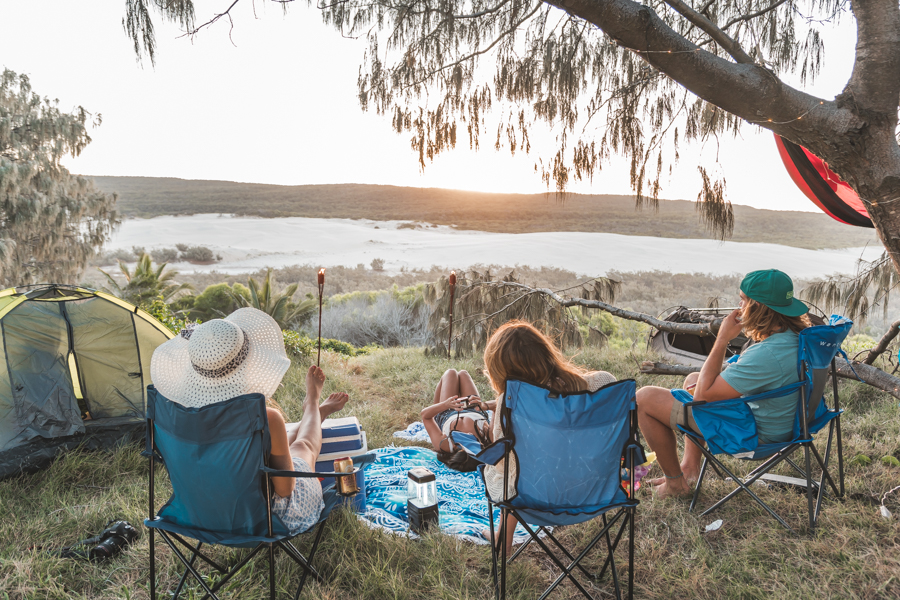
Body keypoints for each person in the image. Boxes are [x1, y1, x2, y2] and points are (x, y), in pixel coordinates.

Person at [150, 307, 350, 532]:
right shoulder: (266, 417)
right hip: (263, 519)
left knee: (275, 438)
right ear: (249, 363)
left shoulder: (173, 417)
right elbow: (285, 490)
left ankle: (311, 415)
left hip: (197, 515)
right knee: (303, 447)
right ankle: (313, 405)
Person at [636, 269, 812, 499]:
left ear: (757, 307)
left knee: (643, 398)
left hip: (756, 436)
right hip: (786, 423)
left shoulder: (768, 353)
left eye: (744, 299)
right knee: (693, 379)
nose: (739, 304)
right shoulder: (795, 337)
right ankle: (689, 468)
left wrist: (721, 339)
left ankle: (676, 486)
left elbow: (702, 399)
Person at [481, 320, 617, 549]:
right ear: (547, 353)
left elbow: (504, 465)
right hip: (595, 491)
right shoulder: (602, 384)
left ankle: (502, 537)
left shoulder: (509, 403)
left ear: (499, 370)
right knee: (529, 469)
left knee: (513, 473)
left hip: (536, 497)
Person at [421, 368, 495, 471]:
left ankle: (440, 401)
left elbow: (425, 415)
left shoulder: (445, 445)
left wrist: (445, 404)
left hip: (447, 412)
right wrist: (484, 405)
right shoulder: (488, 439)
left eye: (461, 446)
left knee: (451, 373)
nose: (466, 438)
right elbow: (497, 406)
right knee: (463, 373)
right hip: (475, 409)